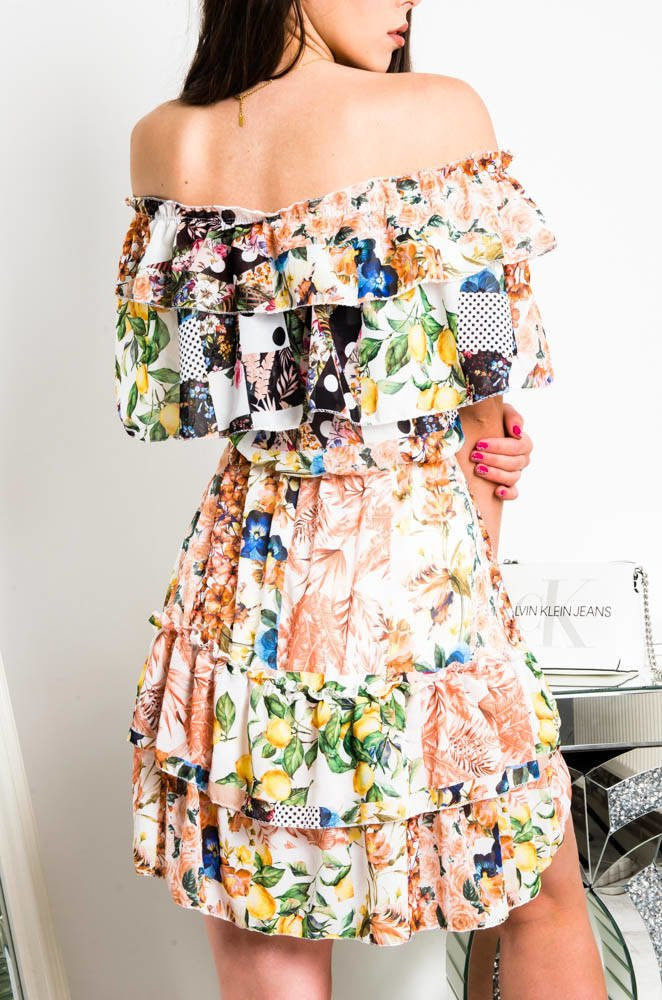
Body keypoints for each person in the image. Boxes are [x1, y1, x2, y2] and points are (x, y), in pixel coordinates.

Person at [116, 2, 608, 998]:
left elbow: (200, 391)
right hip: (414, 582)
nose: (408, 1)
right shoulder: (435, 115)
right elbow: (485, 371)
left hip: (245, 593)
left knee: (272, 924)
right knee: (537, 893)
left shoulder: (168, 144)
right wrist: (480, 513)